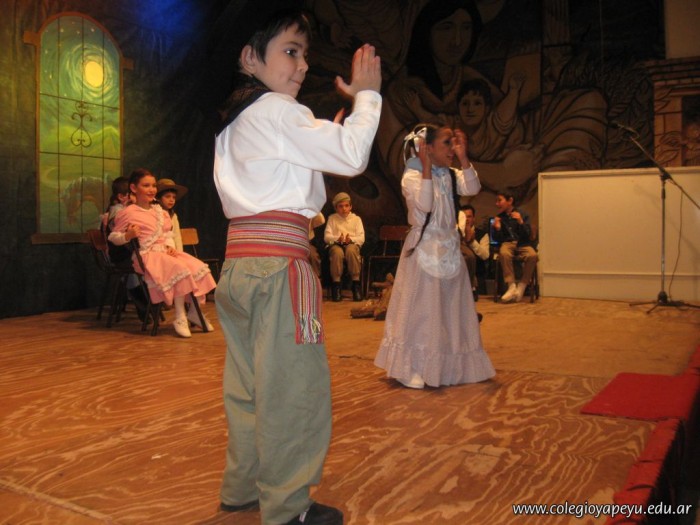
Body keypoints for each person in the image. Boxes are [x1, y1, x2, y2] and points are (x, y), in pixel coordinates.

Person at [212, 3, 382, 524]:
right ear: (250, 57)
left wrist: (320, 138)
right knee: (292, 389)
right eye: (290, 51)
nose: (303, 64)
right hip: (278, 269)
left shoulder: (235, 121)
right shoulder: (277, 110)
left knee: (248, 388)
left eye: (304, 54)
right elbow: (352, 156)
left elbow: (288, 168)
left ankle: (242, 489)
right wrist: (368, 95)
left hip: (239, 267)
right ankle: (287, 509)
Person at [374, 123, 495, 389]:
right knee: (422, 311)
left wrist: (463, 158)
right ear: (427, 148)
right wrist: (426, 168)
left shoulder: (450, 175)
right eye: (447, 143)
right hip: (425, 248)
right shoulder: (412, 176)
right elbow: (426, 205)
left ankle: (448, 366)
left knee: (449, 310)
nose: (452, 148)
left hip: (448, 249)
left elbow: (472, 188)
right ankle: (410, 367)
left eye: (453, 143)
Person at [108, 168, 217, 338]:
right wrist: (128, 236)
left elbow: (167, 234)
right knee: (179, 268)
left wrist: (169, 245)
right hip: (146, 256)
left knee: (196, 266)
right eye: (146, 185)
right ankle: (180, 316)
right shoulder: (128, 212)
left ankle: (194, 312)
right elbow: (113, 237)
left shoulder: (160, 211)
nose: (151, 189)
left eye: (153, 185)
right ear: (134, 188)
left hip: (164, 253)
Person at [491, 191, 538, 303]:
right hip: (508, 243)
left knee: (533, 255)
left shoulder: (523, 214)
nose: (497, 204)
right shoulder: (499, 218)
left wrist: (521, 222)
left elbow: (527, 235)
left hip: (522, 243)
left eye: (499, 200)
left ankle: (522, 286)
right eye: (496, 201)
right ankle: (511, 286)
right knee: (504, 253)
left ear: (510, 201)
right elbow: (498, 240)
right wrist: (497, 229)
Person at [323, 192, 365, 302]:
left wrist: (350, 240)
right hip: (336, 245)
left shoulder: (356, 219)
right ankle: (336, 285)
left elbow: (361, 238)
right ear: (336, 208)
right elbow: (327, 238)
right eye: (340, 206)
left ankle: (356, 284)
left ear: (350, 206)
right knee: (337, 253)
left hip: (351, 244)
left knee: (351, 250)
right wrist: (337, 239)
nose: (344, 209)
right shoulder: (332, 219)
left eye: (346, 206)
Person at [458, 204, 489, 300]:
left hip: (478, 276)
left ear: (474, 218)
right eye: (464, 217)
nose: (467, 219)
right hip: (458, 278)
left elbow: (485, 255)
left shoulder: (482, 234)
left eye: (469, 217)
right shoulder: (455, 233)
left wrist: (472, 242)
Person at [155, 178, 188, 252]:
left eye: (174, 197)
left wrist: (179, 252)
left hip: (173, 251)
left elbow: (177, 236)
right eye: (167, 196)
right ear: (158, 198)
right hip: (159, 250)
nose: (171, 200)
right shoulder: (154, 213)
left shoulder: (173, 216)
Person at [308, 212, 326, 279]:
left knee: (313, 256)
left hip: (307, 242)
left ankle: (317, 278)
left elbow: (321, 220)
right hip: (291, 243)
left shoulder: (309, 212)